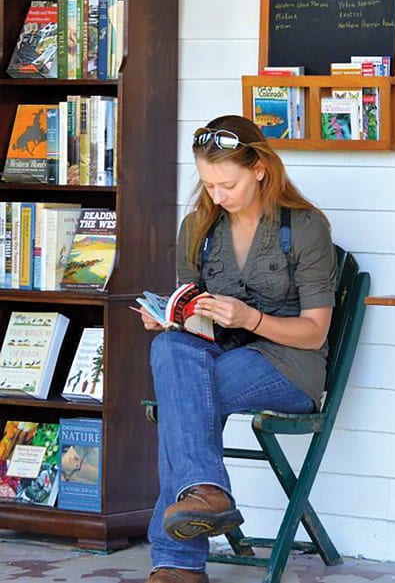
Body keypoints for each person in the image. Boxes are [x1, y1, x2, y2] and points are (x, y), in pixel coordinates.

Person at [137, 115, 337, 583]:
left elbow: (315, 333)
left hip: (288, 364)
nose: (217, 197)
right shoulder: (199, 229)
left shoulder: (304, 228)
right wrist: (171, 315)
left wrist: (252, 319)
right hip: (219, 354)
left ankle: (177, 561)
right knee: (169, 346)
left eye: (227, 184)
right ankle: (205, 492)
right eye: (208, 185)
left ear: (261, 169)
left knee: (181, 399)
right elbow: (193, 311)